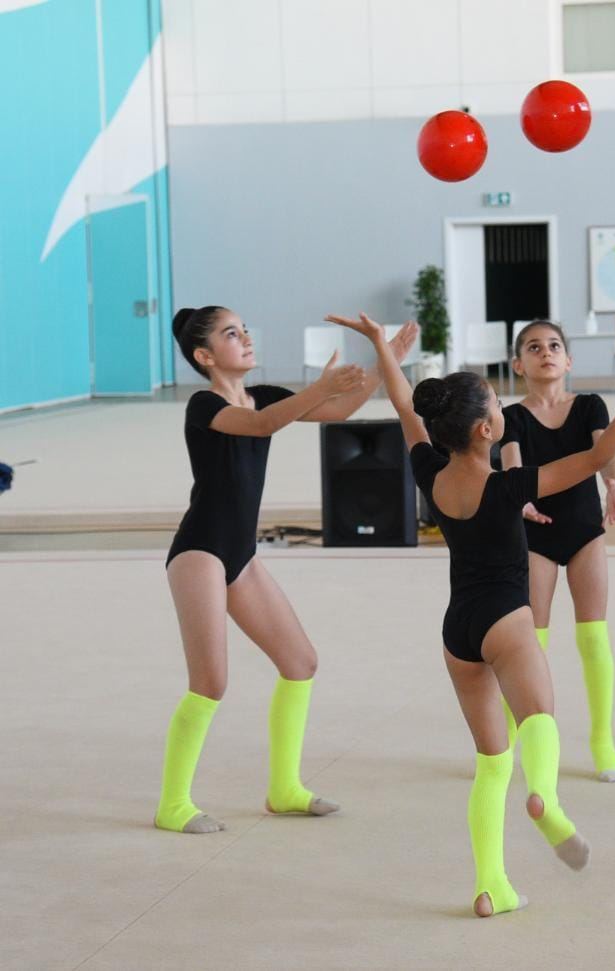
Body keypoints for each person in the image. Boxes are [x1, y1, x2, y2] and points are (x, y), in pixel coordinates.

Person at [327, 312, 615, 916]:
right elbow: (597, 457)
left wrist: (382, 345)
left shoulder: (430, 472)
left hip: (457, 630)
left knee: (491, 762)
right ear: (487, 429)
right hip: (506, 620)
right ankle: (547, 801)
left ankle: (491, 887)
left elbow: (405, 407)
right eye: (492, 401)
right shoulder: (512, 487)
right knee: (539, 716)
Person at [156, 306, 416, 835]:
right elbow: (259, 425)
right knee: (210, 682)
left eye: (244, 329)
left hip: (241, 555)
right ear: (205, 356)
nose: (246, 338)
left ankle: (284, 789)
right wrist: (318, 387)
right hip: (199, 552)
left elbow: (340, 410)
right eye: (232, 334)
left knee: (300, 662)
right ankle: (173, 804)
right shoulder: (204, 405)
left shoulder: (266, 395)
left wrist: (385, 357)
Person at [500, 320, 615, 781]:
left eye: (554, 346)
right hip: (535, 534)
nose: (546, 353)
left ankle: (602, 742)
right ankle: (511, 739)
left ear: (568, 360)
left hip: (584, 532)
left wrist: (614, 482)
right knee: (528, 643)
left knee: (594, 635)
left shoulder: (589, 406)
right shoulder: (512, 417)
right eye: (534, 348)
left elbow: (605, 452)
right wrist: (521, 500)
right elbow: (511, 466)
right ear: (519, 365)